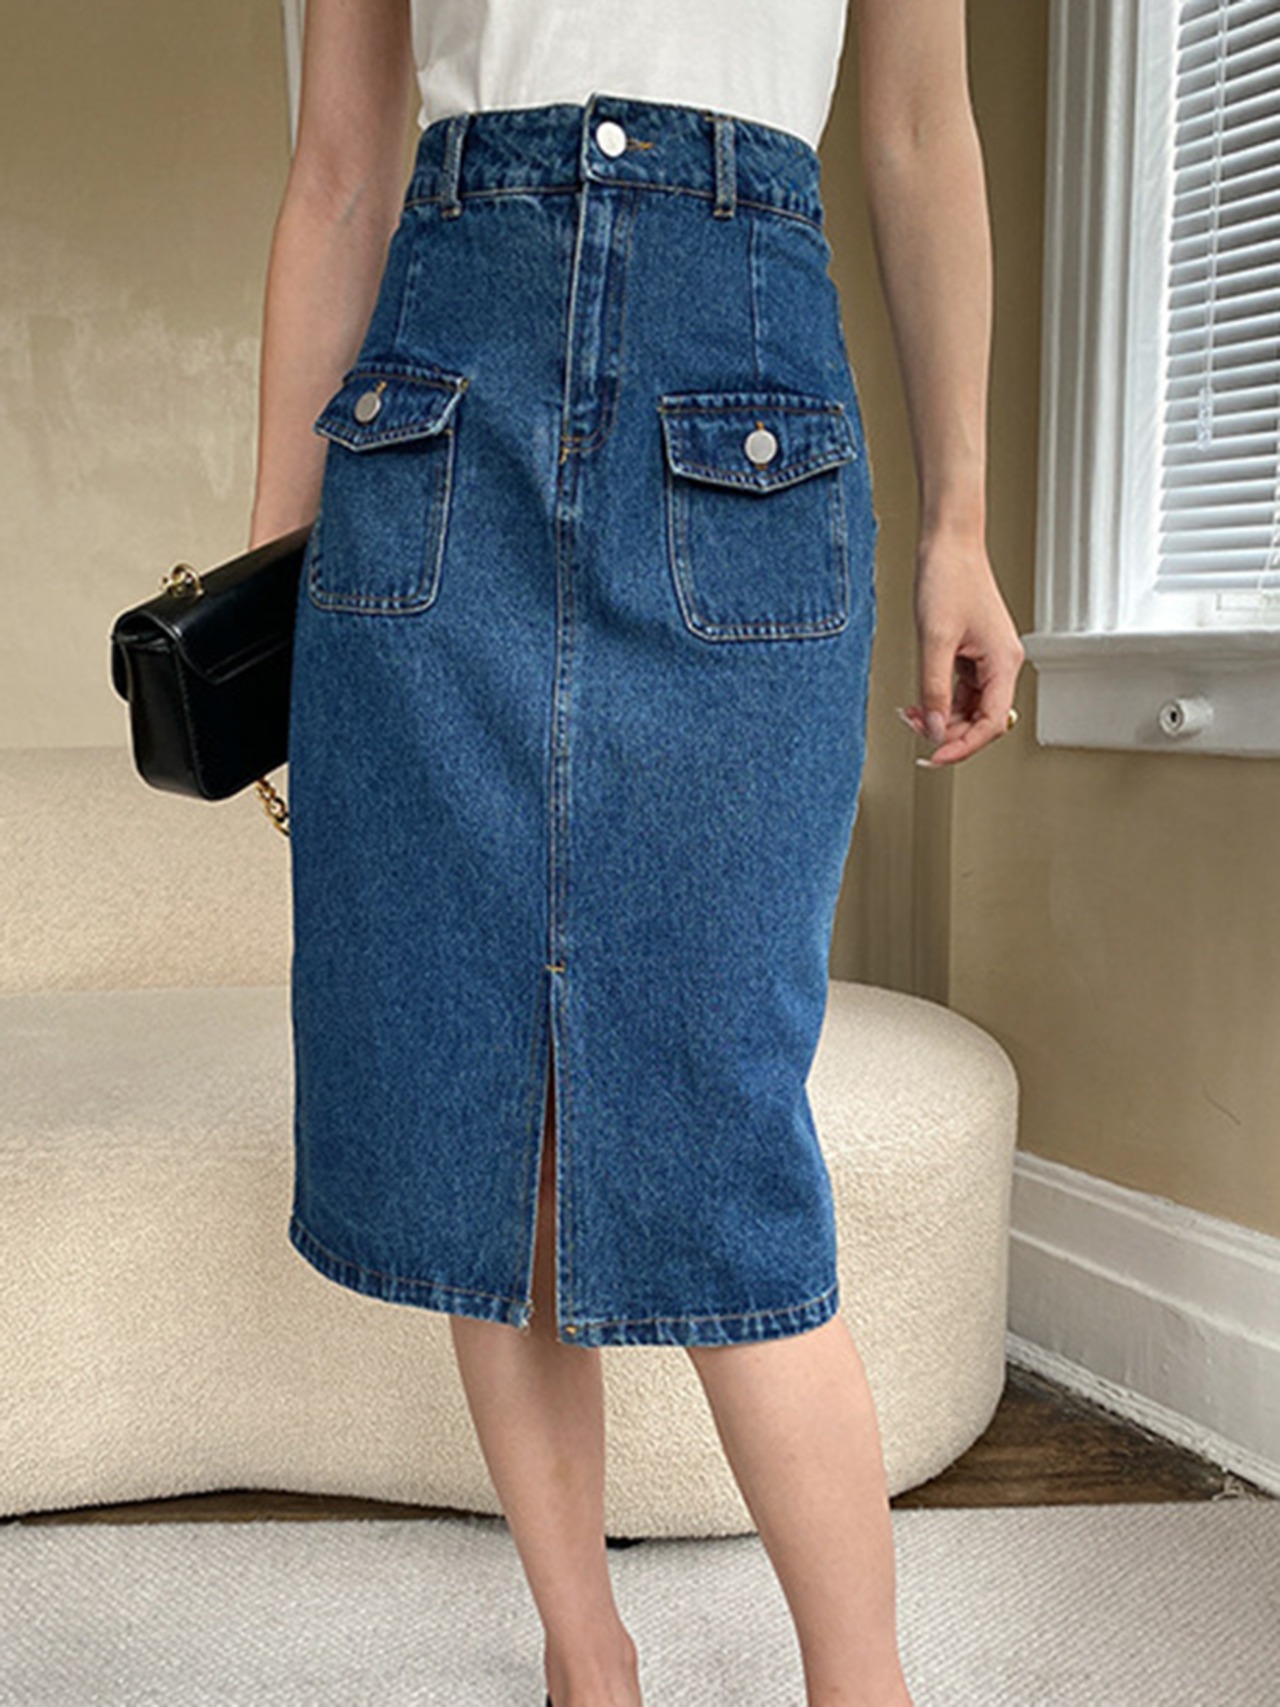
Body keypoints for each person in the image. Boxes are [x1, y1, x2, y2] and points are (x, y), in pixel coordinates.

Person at [249, 3, 1026, 1704]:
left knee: (718, 1111)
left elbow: (917, 132)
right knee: (487, 1101)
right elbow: (340, 173)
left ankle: (864, 1685)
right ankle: (585, 1657)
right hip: (429, 434)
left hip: (744, 421)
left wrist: (962, 524)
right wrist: (270, 584)